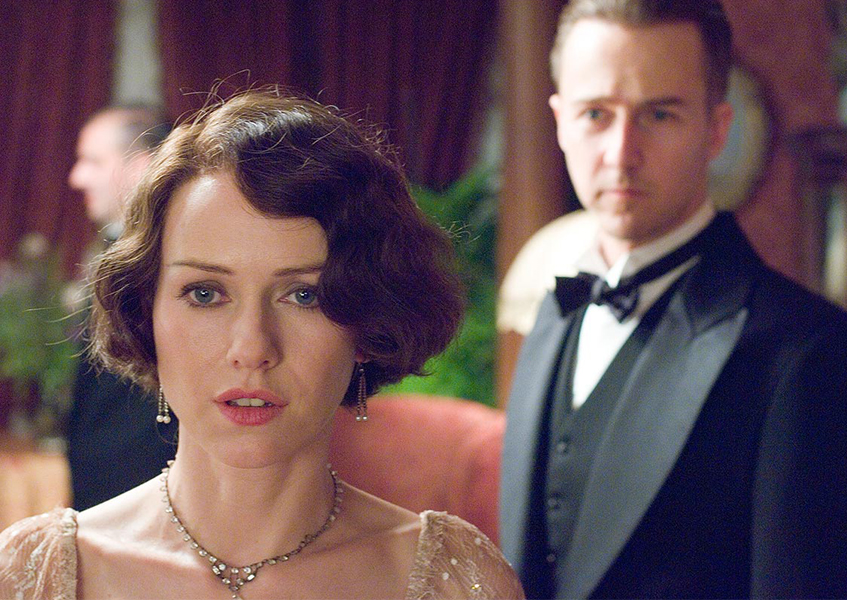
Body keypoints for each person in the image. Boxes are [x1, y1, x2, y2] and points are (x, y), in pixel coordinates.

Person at [0, 89, 525, 599]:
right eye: (205, 294)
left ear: (368, 323)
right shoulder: (35, 576)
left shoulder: (452, 581)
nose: (252, 348)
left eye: (304, 295)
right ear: (145, 314)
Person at [499, 1, 847, 598]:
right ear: (559, 121)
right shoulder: (553, 310)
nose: (621, 152)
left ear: (717, 129)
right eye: (595, 114)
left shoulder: (808, 352)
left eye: (659, 114)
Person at [66, 105, 178, 511]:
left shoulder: (163, 258)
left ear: (139, 167)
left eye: (94, 161)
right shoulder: (116, 247)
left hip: (140, 477)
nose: (77, 177)